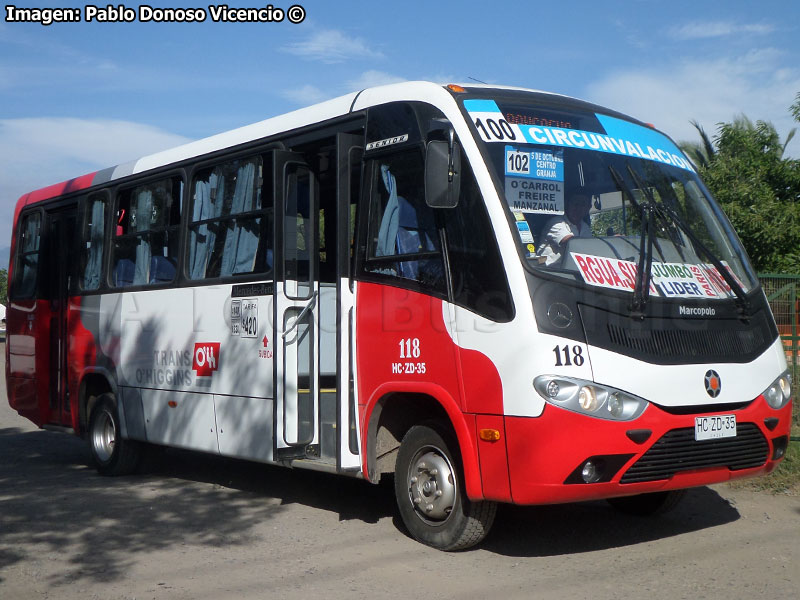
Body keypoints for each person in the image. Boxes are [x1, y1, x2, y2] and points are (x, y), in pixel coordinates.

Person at [534, 193, 592, 266]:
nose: (578, 208)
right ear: (567, 205)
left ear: (588, 208)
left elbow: (590, 249)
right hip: (548, 272)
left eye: (583, 205)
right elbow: (571, 244)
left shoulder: (585, 226)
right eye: (575, 204)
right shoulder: (556, 222)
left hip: (571, 271)